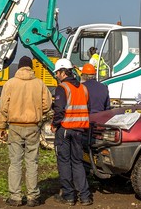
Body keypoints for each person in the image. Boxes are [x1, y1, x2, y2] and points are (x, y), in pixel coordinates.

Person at [0, 56, 53, 207]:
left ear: (19, 68)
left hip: (14, 127)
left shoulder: (10, 84)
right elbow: (47, 104)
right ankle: (32, 197)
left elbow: (3, 107)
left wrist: (1, 127)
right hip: (33, 127)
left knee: (15, 163)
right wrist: (39, 111)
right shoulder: (39, 83)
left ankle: (15, 197)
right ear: (31, 68)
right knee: (31, 162)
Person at [52, 58, 92, 206]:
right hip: (79, 130)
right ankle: (85, 196)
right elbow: (87, 108)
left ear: (63, 72)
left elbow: (59, 110)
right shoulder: (83, 88)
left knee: (64, 162)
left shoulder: (62, 88)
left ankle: (69, 196)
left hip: (65, 129)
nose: (56, 75)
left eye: (57, 72)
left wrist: (55, 125)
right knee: (77, 162)